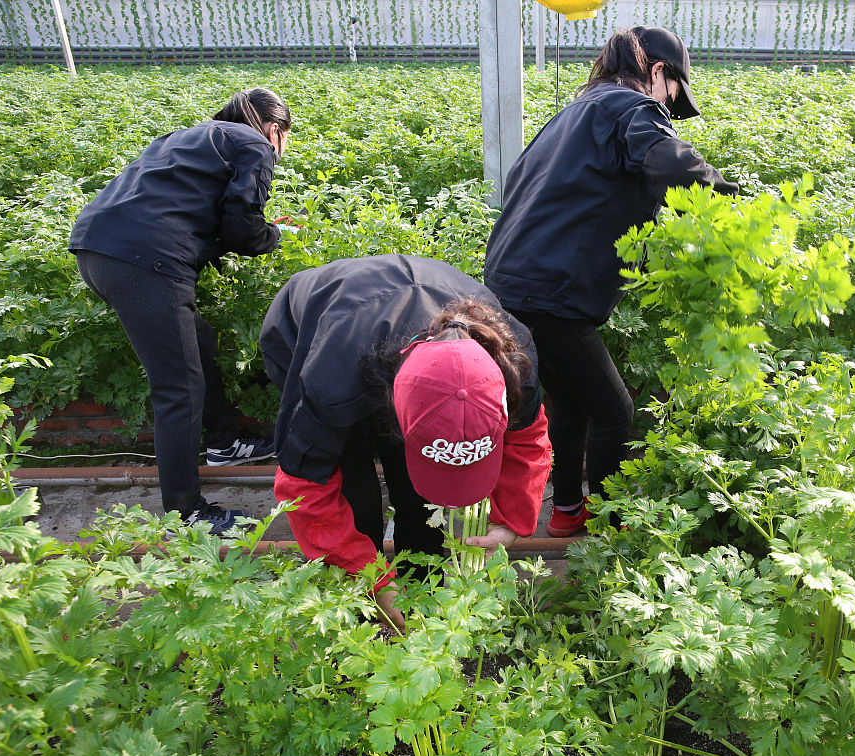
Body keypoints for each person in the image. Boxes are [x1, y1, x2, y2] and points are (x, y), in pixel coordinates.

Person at [484, 26, 739, 537]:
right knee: (614, 411)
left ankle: (567, 511)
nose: (671, 104)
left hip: (508, 286)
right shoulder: (632, 108)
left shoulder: (576, 112)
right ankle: (610, 528)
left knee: (573, 404)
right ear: (659, 73)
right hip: (552, 292)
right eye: (673, 93)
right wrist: (735, 205)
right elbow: (672, 164)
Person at [259, 254, 551, 631]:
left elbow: (528, 442)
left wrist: (510, 523)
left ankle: (420, 597)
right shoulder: (330, 387)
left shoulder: (512, 361)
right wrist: (370, 579)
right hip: (306, 331)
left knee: (417, 496)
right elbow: (304, 489)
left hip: (404, 322)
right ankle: (367, 607)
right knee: (353, 490)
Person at [69, 88, 291, 533]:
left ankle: (225, 444)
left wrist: (254, 229)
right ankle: (186, 513)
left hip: (99, 251)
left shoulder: (189, 137)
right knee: (178, 388)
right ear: (273, 128)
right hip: (145, 262)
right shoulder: (254, 145)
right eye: (285, 136)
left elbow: (190, 212)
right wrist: (273, 236)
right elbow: (242, 230)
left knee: (197, 342)